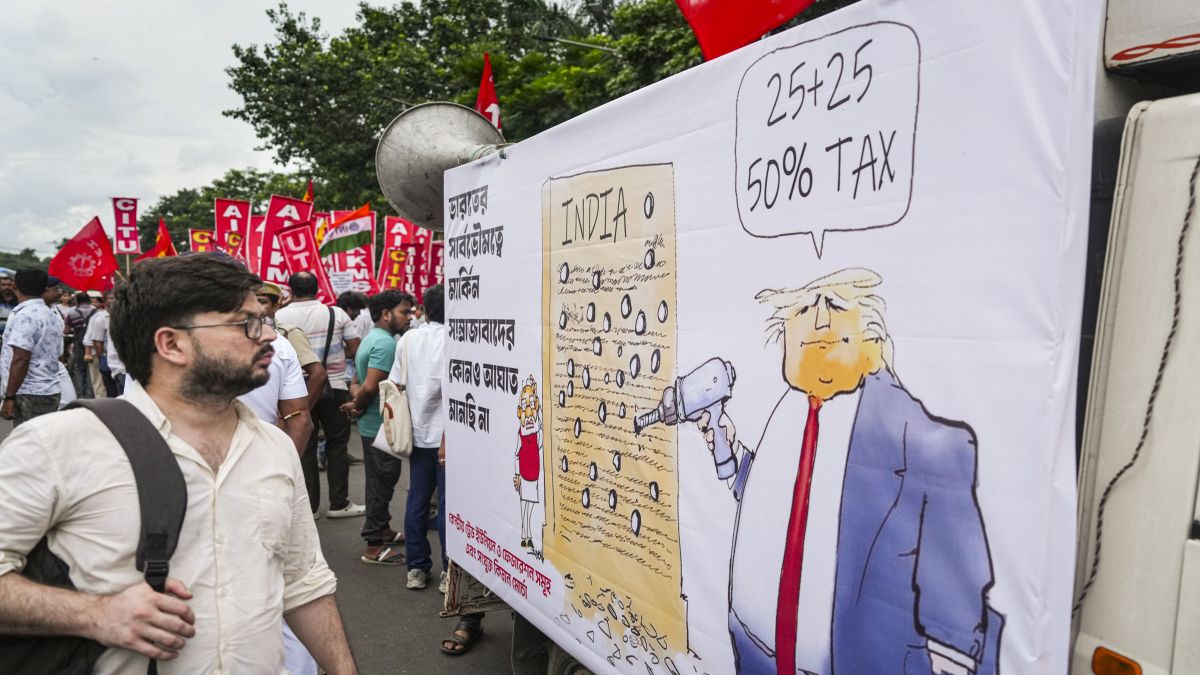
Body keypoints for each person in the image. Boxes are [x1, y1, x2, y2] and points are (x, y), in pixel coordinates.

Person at [0, 254, 358, 674]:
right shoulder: (59, 444)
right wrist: (93, 614)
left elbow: (303, 584)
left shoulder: (275, 447)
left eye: (264, 320)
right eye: (245, 323)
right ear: (171, 344)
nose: (267, 337)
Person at [692, 268, 1001, 675]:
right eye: (803, 306)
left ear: (872, 338)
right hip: (754, 656)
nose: (819, 320)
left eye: (836, 304)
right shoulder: (788, 409)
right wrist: (731, 454)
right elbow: (781, 506)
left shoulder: (926, 444)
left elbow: (955, 618)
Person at [239, 282, 320, 675]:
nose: (269, 331)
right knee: (286, 581)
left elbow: (298, 415)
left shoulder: (281, 345)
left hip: (266, 480)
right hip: (267, 481)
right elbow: (298, 416)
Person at [276, 272, 364, 519]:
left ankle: (309, 507)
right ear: (317, 289)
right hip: (335, 386)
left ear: (291, 290)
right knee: (337, 445)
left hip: (294, 390)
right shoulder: (337, 313)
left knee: (305, 446)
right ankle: (339, 503)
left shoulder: (279, 315)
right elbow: (355, 349)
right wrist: (336, 354)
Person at [340, 290, 414, 565]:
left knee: (380, 480)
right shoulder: (386, 345)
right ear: (386, 314)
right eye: (404, 312)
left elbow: (356, 382)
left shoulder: (372, 338)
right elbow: (370, 386)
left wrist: (356, 403)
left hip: (372, 424)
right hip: (382, 427)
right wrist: (359, 402)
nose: (409, 317)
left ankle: (382, 529)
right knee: (381, 485)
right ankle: (373, 545)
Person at [0, 270, 66, 426]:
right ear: (44, 289)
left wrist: (9, 397)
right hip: (46, 390)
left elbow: (21, 358)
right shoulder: (50, 313)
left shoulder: (25, 315)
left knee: (29, 446)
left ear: (15, 285)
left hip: (30, 393)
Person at [257, 283, 328, 411]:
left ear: (275, 306)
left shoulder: (288, 334)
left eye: (262, 302)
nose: (256, 307)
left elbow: (318, 375)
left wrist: (296, 415)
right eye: (252, 301)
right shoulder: (243, 335)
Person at [82, 290, 118, 398]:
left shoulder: (123, 316)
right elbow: (91, 338)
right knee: (100, 385)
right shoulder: (98, 317)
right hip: (101, 355)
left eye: (116, 298)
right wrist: (97, 354)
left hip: (118, 360)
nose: (113, 301)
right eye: (110, 298)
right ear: (105, 301)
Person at [64, 291, 97, 398]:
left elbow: (66, 330)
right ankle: (90, 395)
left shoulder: (72, 313)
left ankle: (80, 395)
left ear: (77, 301)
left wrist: (76, 329)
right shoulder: (96, 312)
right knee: (91, 371)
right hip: (94, 345)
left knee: (79, 370)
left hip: (79, 344)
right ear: (89, 300)